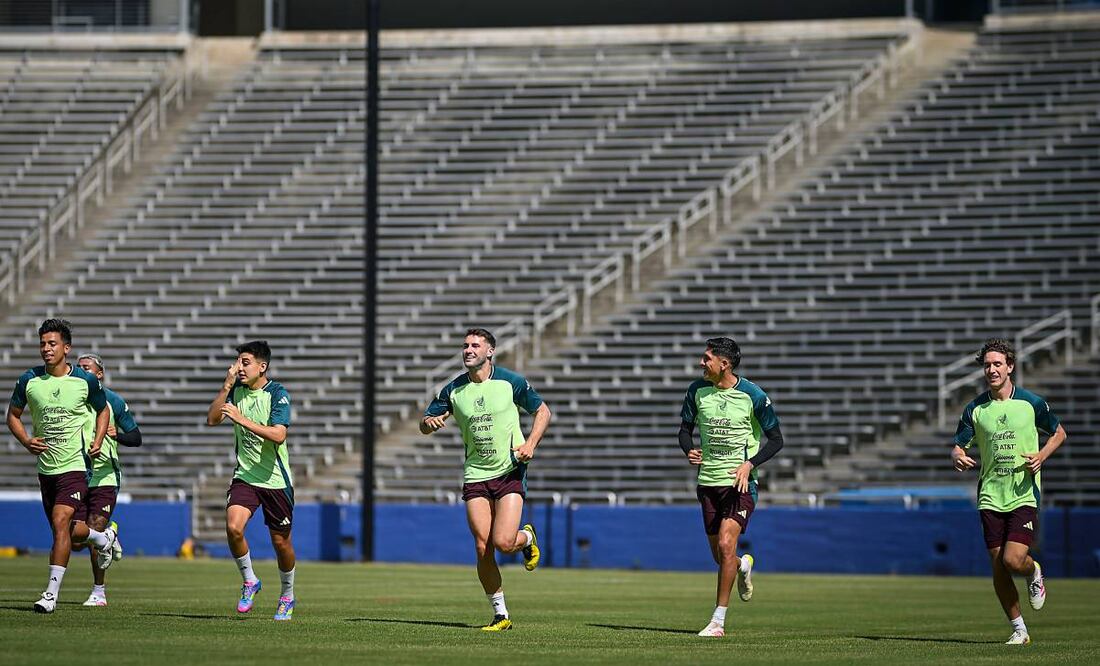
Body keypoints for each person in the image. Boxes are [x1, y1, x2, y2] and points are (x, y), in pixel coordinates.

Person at [420, 327, 552, 631]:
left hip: (509, 470)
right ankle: (500, 615)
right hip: (475, 474)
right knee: (482, 547)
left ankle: (527, 538)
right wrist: (430, 423)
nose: (468, 350)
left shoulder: (510, 382)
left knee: (504, 542)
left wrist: (530, 444)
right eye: (465, 345)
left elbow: (543, 411)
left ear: (490, 351)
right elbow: (424, 422)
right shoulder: (453, 390)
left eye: (475, 345)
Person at [951, 338, 1066, 645]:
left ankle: (1033, 571)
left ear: (1010, 367)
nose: (992, 370)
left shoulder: (1031, 403)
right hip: (990, 494)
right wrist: (957, 456)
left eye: (998, 364)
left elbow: (1059, 433)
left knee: (1014, 560)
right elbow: (958, 446)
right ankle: (1019, 630)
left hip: (1022, 493)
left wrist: (1041, 455)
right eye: (987, 365)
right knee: (997, 563)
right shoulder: (975, 409)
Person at [6, 318, 117, 613]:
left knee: (59, 524)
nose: (46, 349)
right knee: (67, 530)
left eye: (52, 343)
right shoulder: (29, 380)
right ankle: (102, 537)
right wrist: (26, 441)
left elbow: (103, 409)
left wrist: (97, 437)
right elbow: (12, 416)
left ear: (66, 348)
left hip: (75, 466)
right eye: (42, 343)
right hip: (46, 468)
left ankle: (50, 595)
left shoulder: (85, 380)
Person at [678, 337, 784, 638]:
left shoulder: (753, 395)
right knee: (722, 556)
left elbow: (776, 440)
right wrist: (688, 449)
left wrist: (750, 464)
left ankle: (717, 622)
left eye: (706, 358)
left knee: (726, 545)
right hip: (708, 482)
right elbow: (684, 430)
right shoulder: (696, 391)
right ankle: (742, 566)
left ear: (724, 364)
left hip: (740, 485)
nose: (701, 363)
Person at [206, 340, 297, 621]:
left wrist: (241, 420)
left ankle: (287, 595)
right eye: (238, 362)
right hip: (245, 476)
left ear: (262, 366)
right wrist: (225, 386)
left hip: (275, 481)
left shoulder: (278, 393)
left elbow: (279, 435)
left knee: (280, 543)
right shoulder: (235, 390)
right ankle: (250, 580)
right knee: (233, 528)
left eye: (245, 362)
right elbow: (211, 420)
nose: (239, 368)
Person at [73, 352, 142, 607]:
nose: (82, 370)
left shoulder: (113, 400)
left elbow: (136, 437)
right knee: (75, 540)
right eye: (78, 367)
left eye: (87, 367)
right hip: (77, 474)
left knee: (94, 528)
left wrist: (115, 436)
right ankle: (108, 536)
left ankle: (98, 592)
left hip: (105, 476)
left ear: (99, 374)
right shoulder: (72, 399)